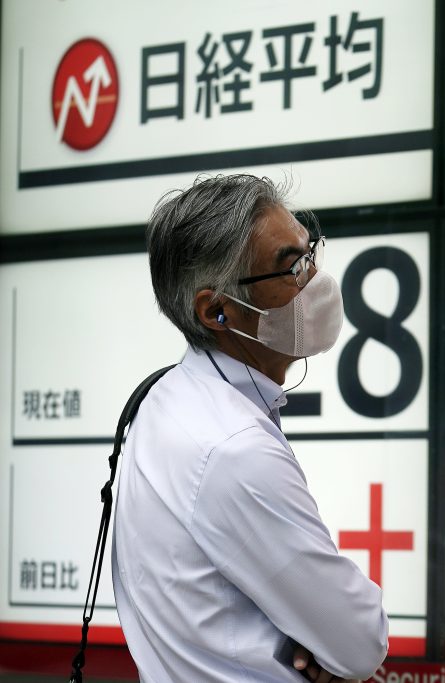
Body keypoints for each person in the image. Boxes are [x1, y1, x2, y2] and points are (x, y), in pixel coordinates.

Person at [112, 174, 388, 682]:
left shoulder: (170, 398)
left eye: (311, 254)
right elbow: (360, 640)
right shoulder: (233, 450)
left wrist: (309, 636)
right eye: (291, 269)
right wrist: (320, 644)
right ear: (216, 310)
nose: (315, 280)